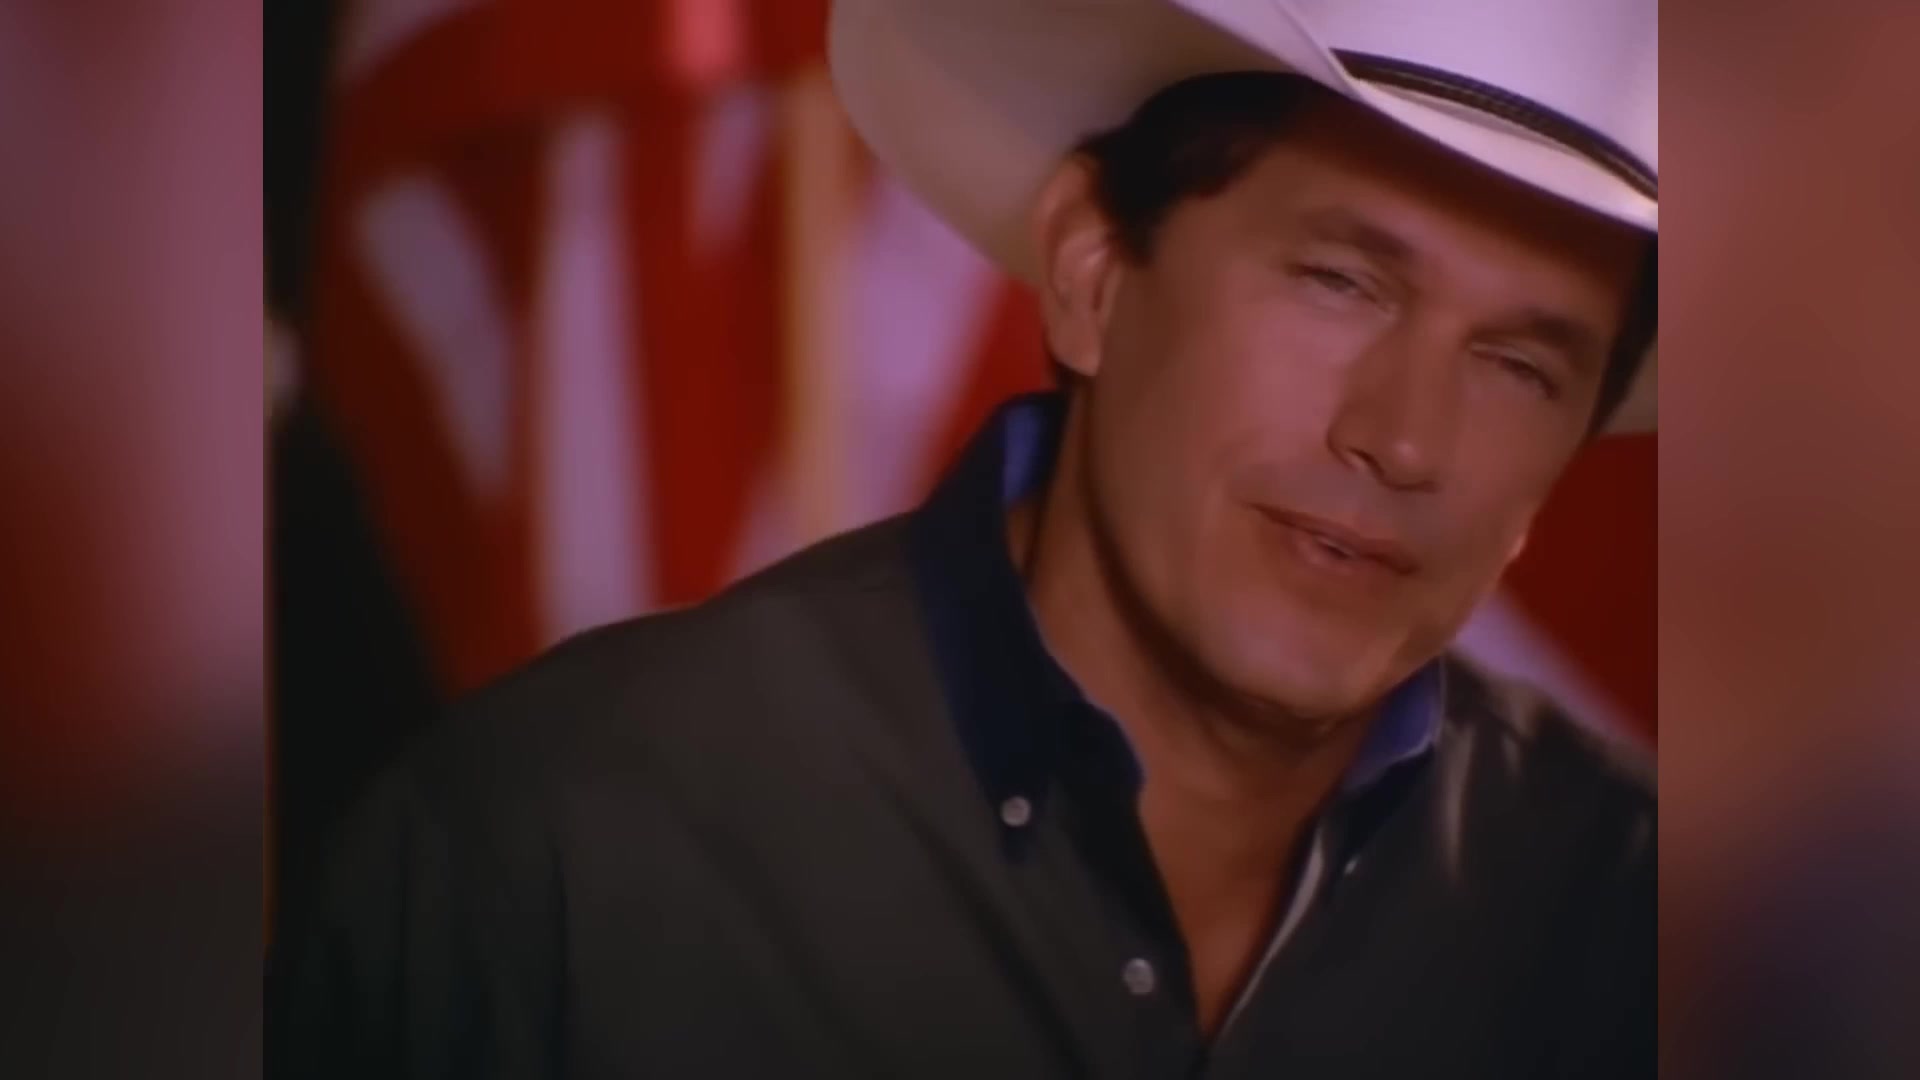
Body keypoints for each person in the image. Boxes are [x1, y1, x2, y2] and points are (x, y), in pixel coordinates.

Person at [268, 0, 1657, 1076]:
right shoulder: (552, 858)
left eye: (1520, 365)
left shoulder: (1639, 929)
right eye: (1340, 280)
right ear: (1091, 275)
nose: (1404, 438)